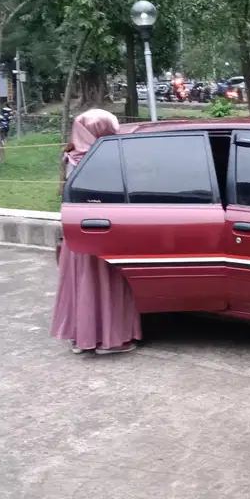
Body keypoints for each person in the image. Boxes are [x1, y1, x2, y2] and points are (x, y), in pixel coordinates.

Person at [51, 109, 141, 355]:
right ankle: (111, 340)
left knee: (83, 283)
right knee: (107, 283)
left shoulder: (70, 157)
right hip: (108, 229)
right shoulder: (108, 158)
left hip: (77, 229)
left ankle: (82, 338)